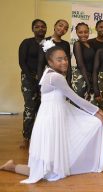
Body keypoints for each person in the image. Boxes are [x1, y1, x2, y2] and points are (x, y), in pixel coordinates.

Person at [0, 46, 103, 184]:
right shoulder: (55, 77)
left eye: (65, 58)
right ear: (50, 62)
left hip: (51, 117)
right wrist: (97, 111)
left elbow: (62, 100)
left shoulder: (48, 74)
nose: (64, 62)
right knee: (49, 171)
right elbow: (74, 97)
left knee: (50, 166)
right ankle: (13, 167)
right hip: (51, 120)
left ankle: (13, 166)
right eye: (59, 59)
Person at [18, 19, 47, 149]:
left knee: (42, 108)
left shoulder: (49, 43)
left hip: (45, 78)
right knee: (30, 107)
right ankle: (27, 138)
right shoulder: (26, 43)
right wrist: (31, 78)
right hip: (28, 77)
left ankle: (40, 138)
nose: (40, 29)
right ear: (32, 29)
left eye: (43, 26)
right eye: (37, 27)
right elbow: (22, 62)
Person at [38, 19, 72, 85]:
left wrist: (69, 81)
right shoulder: (44, 41)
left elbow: (68, 64)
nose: (62, 29)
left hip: (62, 77)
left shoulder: (66, 44)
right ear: (55, 26)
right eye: (60, 26)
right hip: (48, 77)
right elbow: (40, 64)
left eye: (66, 28)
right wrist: (40, 83)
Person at [72, 22, 95, 99]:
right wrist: (88, 83)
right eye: (80, 32)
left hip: (89, 76)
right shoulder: (77, 44)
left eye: (86, 32)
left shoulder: (90, 44)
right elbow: (80, 65)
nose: (83, 34)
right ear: (76, 33)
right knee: (78, 103)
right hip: (81, 76)